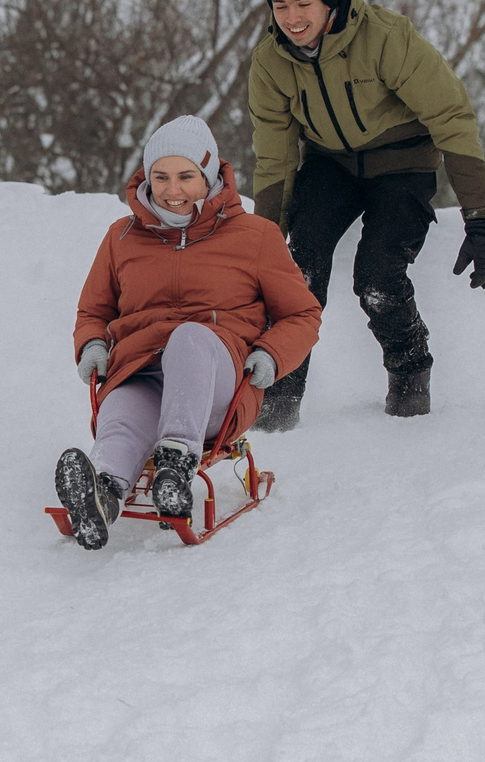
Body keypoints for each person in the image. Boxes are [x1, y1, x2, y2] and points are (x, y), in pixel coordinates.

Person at [245, 0, 485, 429]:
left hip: (401, 162)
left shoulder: (386, 38)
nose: (292, 17)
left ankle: (410, 381)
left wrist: (481, 220)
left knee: (377, 278)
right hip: (331, 166)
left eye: (304, 2)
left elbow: (451, 116)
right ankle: (277, 402)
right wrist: (265, 239)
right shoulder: (271, 64)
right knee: (297, 270)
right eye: (279, 5)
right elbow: (274, 156)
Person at [55, 115, 323, 551]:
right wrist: (92, 343)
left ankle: (175, 466)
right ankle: (102, 494)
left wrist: (272, 355)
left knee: (189, 338)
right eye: (160, 177)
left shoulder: (256, 236)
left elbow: (302, 314)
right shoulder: (120, 237)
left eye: (185, 176)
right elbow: (94, 310)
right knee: (121, 407)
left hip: (219, 385)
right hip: (142, 371)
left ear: (210, 175)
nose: (172, 190)